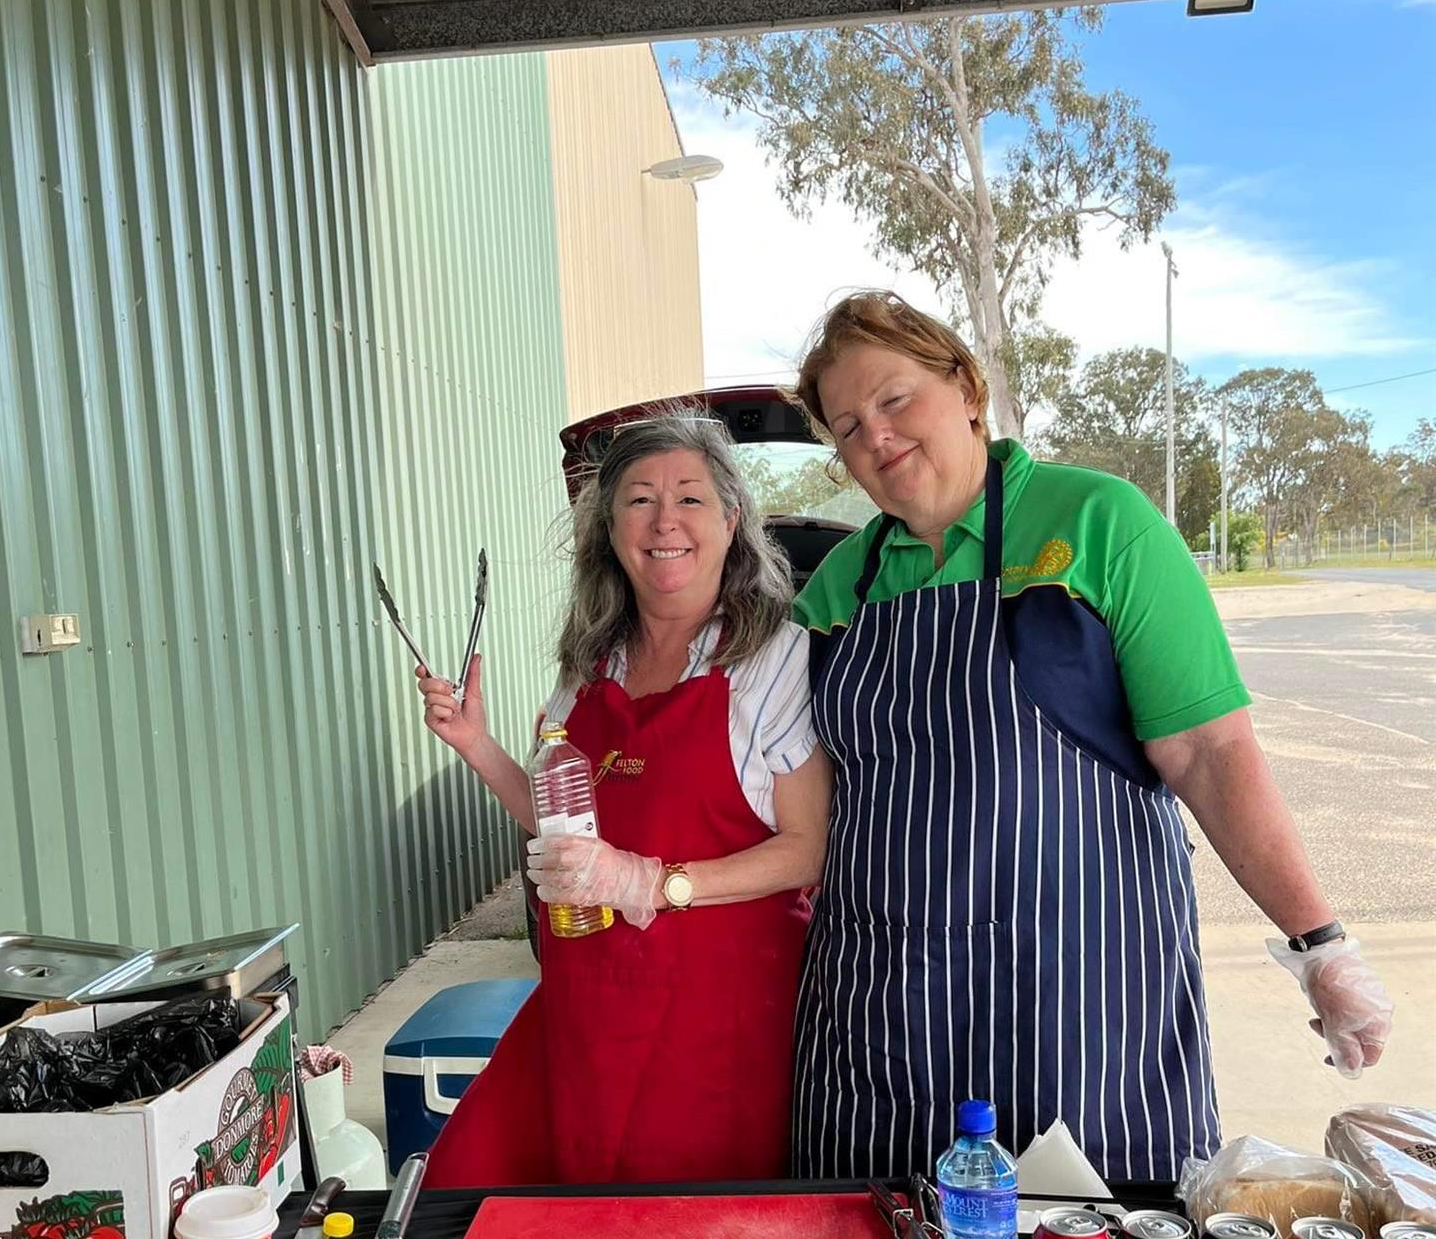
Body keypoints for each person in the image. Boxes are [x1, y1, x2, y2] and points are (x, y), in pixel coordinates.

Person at [789, 291, 1393, 1185]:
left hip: (1080, 993)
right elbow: (787, 781)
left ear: (966, 389)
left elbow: (1208, 752)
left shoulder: (1097, 522)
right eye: (846, 427)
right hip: (884, 1002)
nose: (874, 435)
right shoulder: (836, 588)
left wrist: (1319, 946)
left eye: (894, 399)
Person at [415, 410, 832, 1187]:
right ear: (609, 531)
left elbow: (806, 850)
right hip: (586, 1007)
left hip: (716, 1022)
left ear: (731, 521)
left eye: (689, 497)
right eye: (639, 500)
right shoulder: (589, 665)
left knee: (684, 1230)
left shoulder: (775, 659)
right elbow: (567, 834)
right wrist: (477, 745)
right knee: (502, 1205)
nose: (664, 520)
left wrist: (651, 882)